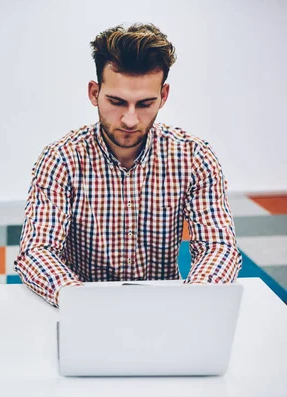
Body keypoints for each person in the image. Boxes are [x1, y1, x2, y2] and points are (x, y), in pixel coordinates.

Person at [15, 23, 242, 307]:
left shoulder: (194, 157)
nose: (130, 120)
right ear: (94, 93)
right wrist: (79, 300)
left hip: (166, 310)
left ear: (164, 96)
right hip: (84, 309)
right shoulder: (61, 159)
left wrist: (193, 300)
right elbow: (37, 250)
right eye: (117, 102)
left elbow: (217, 246)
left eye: (145, 103)